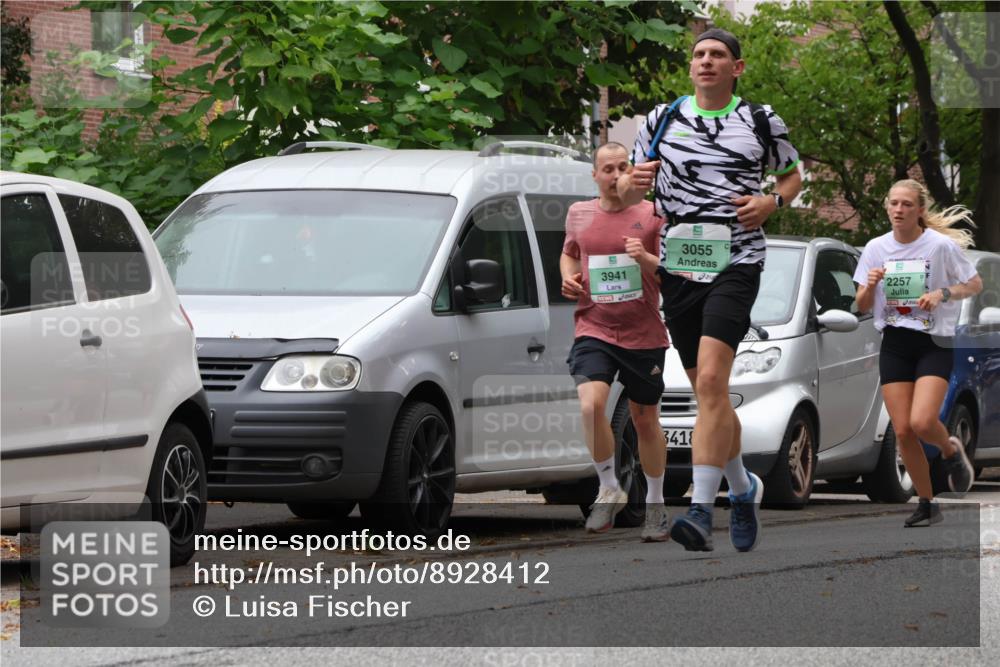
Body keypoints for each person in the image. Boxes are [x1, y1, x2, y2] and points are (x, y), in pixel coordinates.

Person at [618, 28, 802, 552]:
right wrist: (636, 181)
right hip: (679, 265)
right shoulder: (661, 118)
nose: (706, 62)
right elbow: (634, 185)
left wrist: (772, 202)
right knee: (710, 394)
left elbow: (792, 177)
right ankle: (744, 488)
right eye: (699, 54)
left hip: (738, 260)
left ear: (736, 68)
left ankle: (700, 510)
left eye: (717, 55)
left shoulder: (761, 120)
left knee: (715, 380)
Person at [854, 179, 981, 526]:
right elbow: (862, 305)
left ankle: (950, 450)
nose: (899, 210)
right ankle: (927, 502)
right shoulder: (875, 249)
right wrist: (870, 284)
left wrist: (942, 293)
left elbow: (973, 284)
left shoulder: (939, 246)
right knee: (904, 431)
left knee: (922, 421)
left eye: (907, 204)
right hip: (895, 342)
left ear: (920, 210)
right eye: (894, 203)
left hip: (933, 342)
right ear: (887, 207)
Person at [561, 141, 671, 541]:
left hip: (643, 334)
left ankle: (656, 505)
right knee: (591, 406)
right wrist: (568, 276)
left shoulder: (654, 214)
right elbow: (570, 253)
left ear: (632, 171)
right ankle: (609, 486)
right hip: (594, 326)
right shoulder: (579, 213)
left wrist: (645, 259)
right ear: (595, 175)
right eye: (607, 168)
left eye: (622, 167)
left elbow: (673, 274)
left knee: (645, 420)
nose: (615, 174)